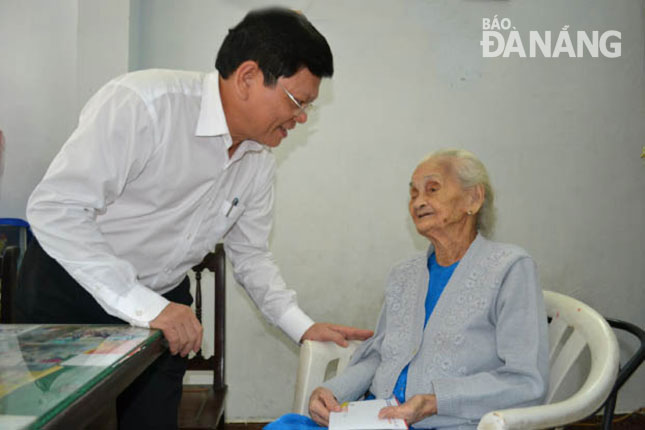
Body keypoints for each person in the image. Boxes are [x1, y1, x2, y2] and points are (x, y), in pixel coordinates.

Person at [15, 7, 372, 429]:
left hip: (165, 311)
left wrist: (303, 327)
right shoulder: (144, 106)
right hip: (69, 295)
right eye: (298, 102)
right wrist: (146, 306)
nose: (302, 118)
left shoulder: (258, 161)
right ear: (248, 77)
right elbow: (55, 209)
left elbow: (252, 257)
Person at [268, 149, 548, 430]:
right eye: (413, 194)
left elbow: (525, 381)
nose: (418, 202)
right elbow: (380, 354)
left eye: (432, 189)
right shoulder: (404, 274)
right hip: (378, 419)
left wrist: (434, 401)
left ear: (473, 199)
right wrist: (332, 391)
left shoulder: (510, 268)